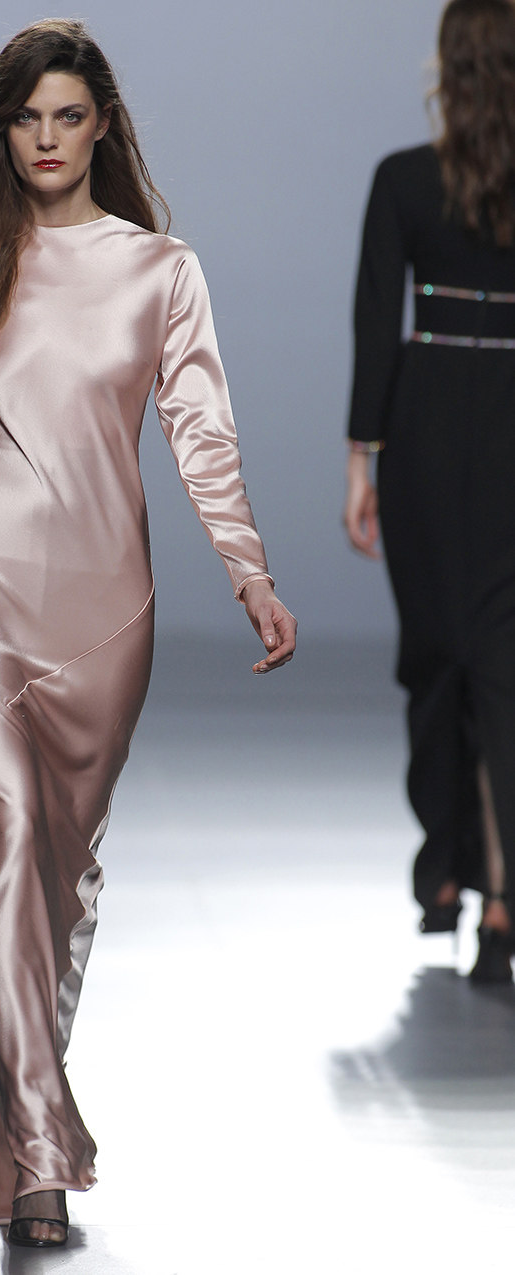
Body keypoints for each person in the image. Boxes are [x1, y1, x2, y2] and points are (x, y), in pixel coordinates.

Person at [0, 18, 296, 1248]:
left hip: (109, 617)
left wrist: (250, 574)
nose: (46, 139)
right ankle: (45, 1166)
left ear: (103, 126)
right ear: (2, 131)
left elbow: (202, 433)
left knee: (62, 891)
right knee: (9, 857)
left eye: (67, 116)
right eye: (26, 118)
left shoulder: (161, 272)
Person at [344, 0, 515, 983]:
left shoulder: (405, 180)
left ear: (447, 67)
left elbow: (378, 321)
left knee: (441, 656)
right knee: (502, 662)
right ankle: (497, 892)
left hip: (426, 428)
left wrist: (358, 461)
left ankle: (447, 873)